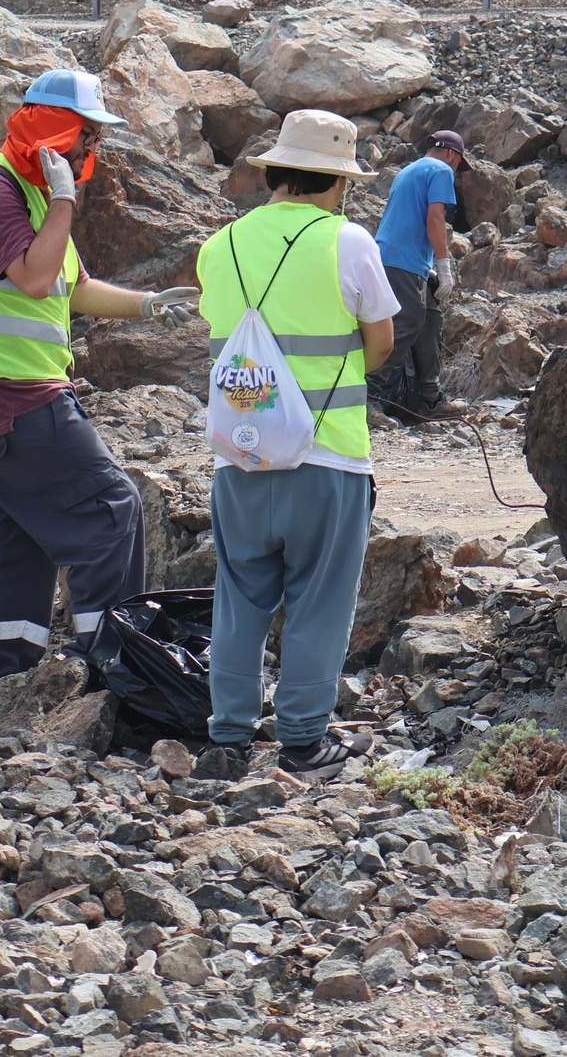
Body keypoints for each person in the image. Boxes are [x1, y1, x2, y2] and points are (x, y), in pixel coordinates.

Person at [0, 68, 201, 689]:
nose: (93, 148)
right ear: (55, 129)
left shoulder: (29, 194)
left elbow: (71, 287)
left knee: (14, 540)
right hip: (9, 400)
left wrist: (148, 303)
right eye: (88, 133)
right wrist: (64, 199)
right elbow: (32, 278)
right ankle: (114, 664)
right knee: (111, 509)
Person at [195, 109, 399, 778]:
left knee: (240, 594)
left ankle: (227, 737)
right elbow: (381, 342)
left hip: (242, 454)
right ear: (337, 181)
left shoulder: (219, 245)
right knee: (319, 598)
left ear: (276, 171)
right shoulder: (348, 242)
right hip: (329, 455)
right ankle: (305, 741)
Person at [369, 129, 468, 420]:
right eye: (459, 162)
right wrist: (444, 264)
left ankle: (430, 398)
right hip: (402, 261)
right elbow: (434, 218)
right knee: (405, 324)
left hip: (396, 258)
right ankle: (366, 398)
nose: (457, 169)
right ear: (452, 153)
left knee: (429, 320)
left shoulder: (409, 171)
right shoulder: (440, 169)